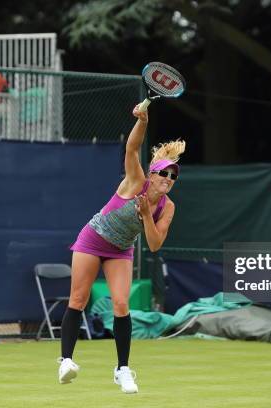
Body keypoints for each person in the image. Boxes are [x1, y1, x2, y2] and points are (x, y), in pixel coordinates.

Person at [58, 104, 185, 393]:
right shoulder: (136, 181)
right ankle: (65, 361)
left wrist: (144, 216)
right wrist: (143, 121)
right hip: (93, 238)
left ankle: (123, 369)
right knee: (78, 299)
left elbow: (153, 244)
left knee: (121, 305)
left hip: (121, 249)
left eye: (174, 176)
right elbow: (132, 148)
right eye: (165, 173)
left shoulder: (168, 207)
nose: (168, 179)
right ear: (152, 175)